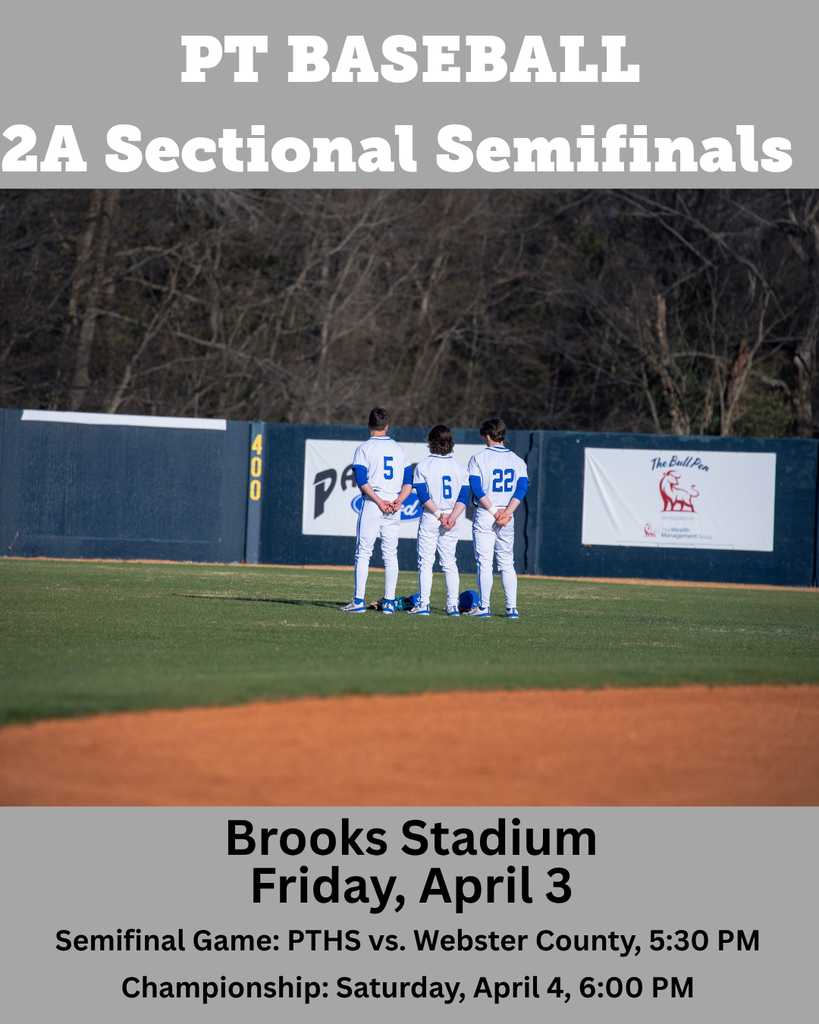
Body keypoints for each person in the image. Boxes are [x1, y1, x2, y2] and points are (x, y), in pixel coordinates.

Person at [340, 407, 412, 614]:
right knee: (390, 554)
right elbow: (408, 481)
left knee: (364, 553)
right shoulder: (399, 449)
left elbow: (361, 480)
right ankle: (389, 602)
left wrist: (379, 501)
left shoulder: (364, 448)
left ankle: (358, 601)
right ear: (387, 426)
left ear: (368, 425)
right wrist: (399, 501)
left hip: (374, 503)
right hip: (393, 505)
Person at [466, 418, 528, 618]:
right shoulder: (517, 460)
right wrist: (507, 513)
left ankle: (484, 607)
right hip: (507, 517)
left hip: (487, 513)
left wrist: (495, 513)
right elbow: (521, 489)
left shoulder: (478, 458)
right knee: (507, 563)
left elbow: (477, 489)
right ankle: (512, 608)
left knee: (485, 563)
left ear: (487, 436)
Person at [409, 424, 470, 616]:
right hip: (451, 518)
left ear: (431, 441)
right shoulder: (459, 467)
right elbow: (464, 496)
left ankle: (424, 605)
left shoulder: (423, 465)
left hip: (432, 516)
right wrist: (451, 517)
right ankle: (452, 606)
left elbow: (422, 494)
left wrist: (439, 515)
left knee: (426, 563)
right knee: (449, 563)